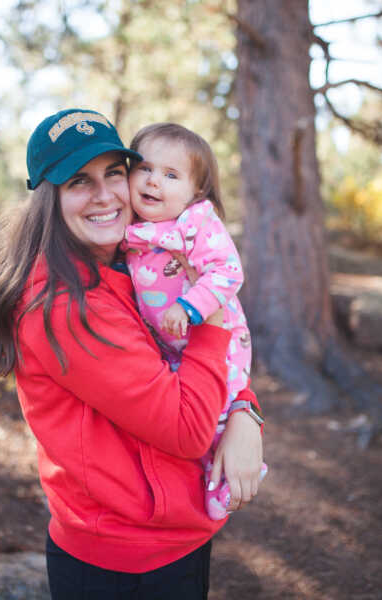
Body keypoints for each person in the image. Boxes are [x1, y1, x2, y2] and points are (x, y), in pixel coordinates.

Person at [0, 108, 265, 599]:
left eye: (115, 173)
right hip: (123, 563)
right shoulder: (62, 305)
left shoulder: (130, 264)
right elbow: (187, 428)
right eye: (80, 181)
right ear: (48, 198)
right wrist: (210, 318)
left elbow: (187, 366)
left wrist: (244, 410)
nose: (105, 196)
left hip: (174, 539)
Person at [123, 123, 267, 521]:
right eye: (145, 169)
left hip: (223, 338)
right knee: (186, 410)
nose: (154, 181)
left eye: (171, 175)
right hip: (174, 346)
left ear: (195, 194)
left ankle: (226, 484)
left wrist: (189, 308)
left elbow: (227, 271)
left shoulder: (196, 224)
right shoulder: (131, 230)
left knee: (219, 410)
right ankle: (204, 478)